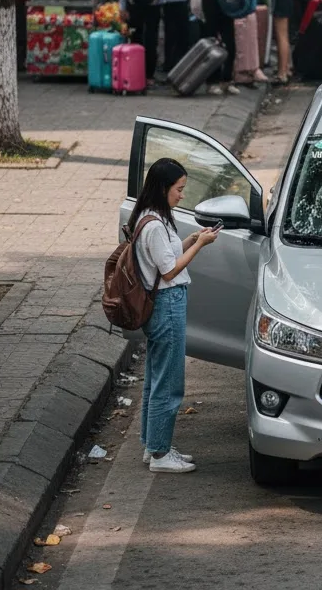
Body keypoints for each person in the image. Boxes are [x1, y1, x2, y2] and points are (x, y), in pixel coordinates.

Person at [131, 157, 219, 473]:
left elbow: (165, 257)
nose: (182, 195)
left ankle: (153, 445)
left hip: (163, 302)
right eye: (179, 189)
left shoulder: (151, 216)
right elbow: (169, 271)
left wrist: (191, 240)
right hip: (167, 303)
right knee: (168, 381)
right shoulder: (154, 224)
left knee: (157, 377)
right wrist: (201, 245)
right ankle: (160, 454)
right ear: (162, 188)